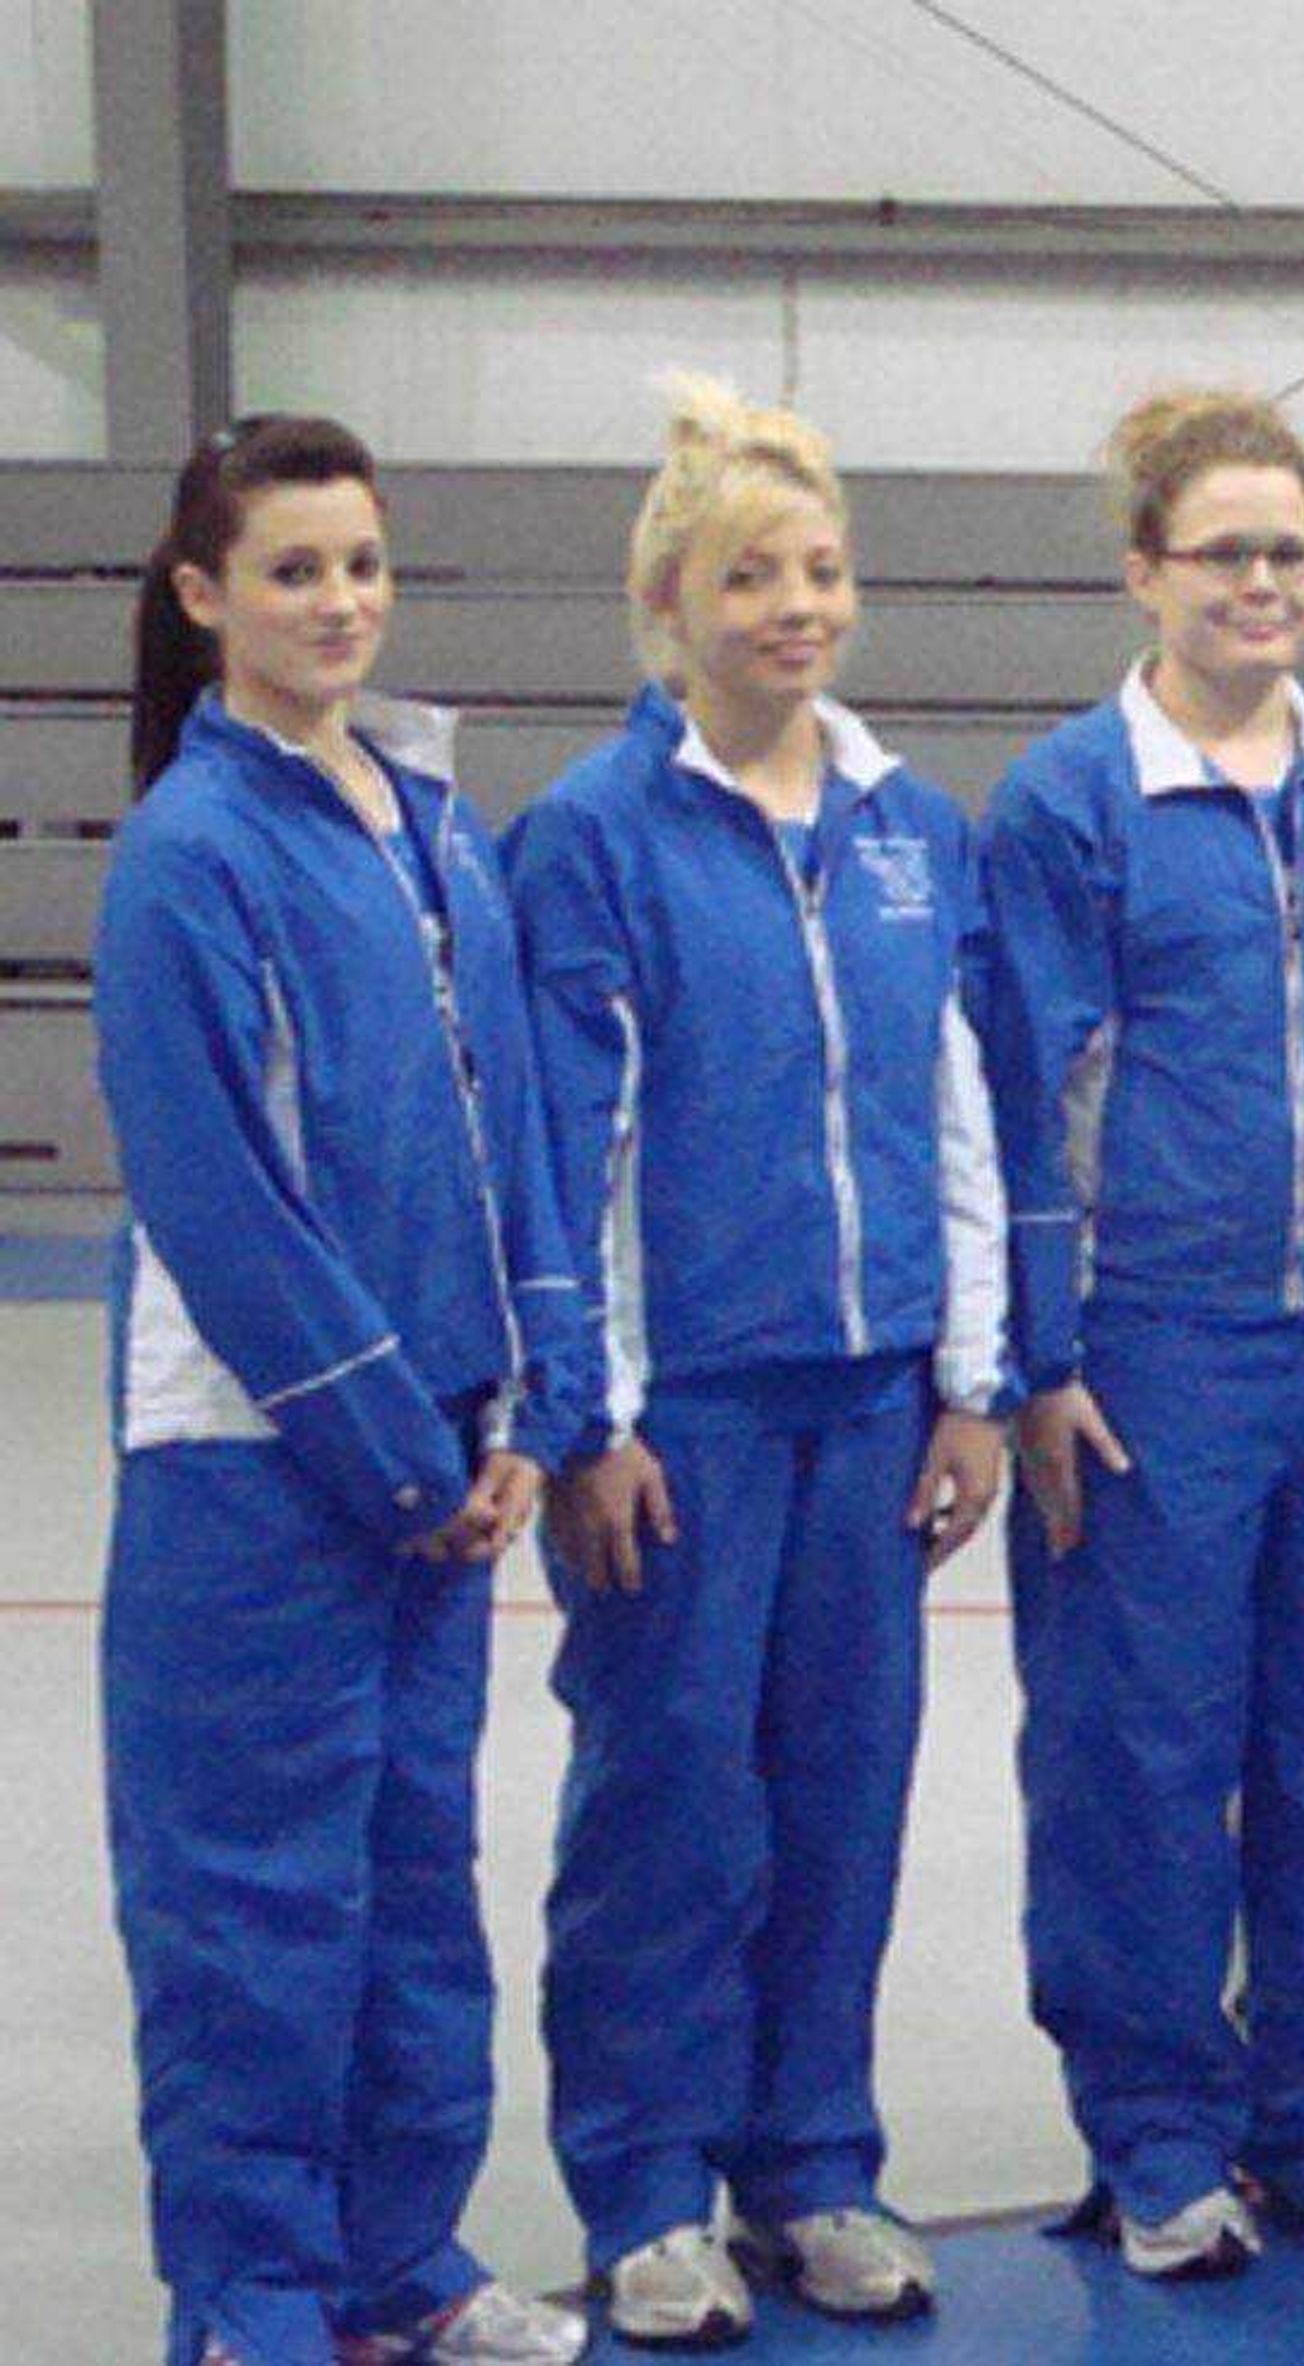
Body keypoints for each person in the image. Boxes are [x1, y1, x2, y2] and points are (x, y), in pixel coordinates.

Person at [502, 377, 1012, 2348]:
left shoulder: (908, 830)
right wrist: (590, 1415)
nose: (796, 606)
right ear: (667, 602)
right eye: (749, 575)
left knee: (841, 1795)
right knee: (670, 1802)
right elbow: (575, 1152)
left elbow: (958, 1104)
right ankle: (644, 2184)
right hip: (685, 1412)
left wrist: (972, 1372)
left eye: (821, 570)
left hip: (872, 1395)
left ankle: (813, 2162)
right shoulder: (596, 839)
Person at [93, 416, 592, 2366]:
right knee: (248, 1908)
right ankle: (251, 2296)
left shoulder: (431, 821)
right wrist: (398, 1455)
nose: (338, 603)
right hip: (259, 1470)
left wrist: (528, 1406)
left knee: (408, 1876)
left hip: (450, 1458)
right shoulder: (189, 857)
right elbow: (227, 1207)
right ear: (205, 595)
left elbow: (510, 1127)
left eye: (361, 565)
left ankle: (399, 2257)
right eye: (294, 570)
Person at [980, 389, 1304, 2277]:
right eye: (1224, 553)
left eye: (1288, 553)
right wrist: (1041, 1359)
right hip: (1149, 1349)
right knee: (1140, 1755)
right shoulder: (1069, 803)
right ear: (1144, 573)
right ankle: (1158, 2130)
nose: (1262, 584)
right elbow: (1025, 1100)